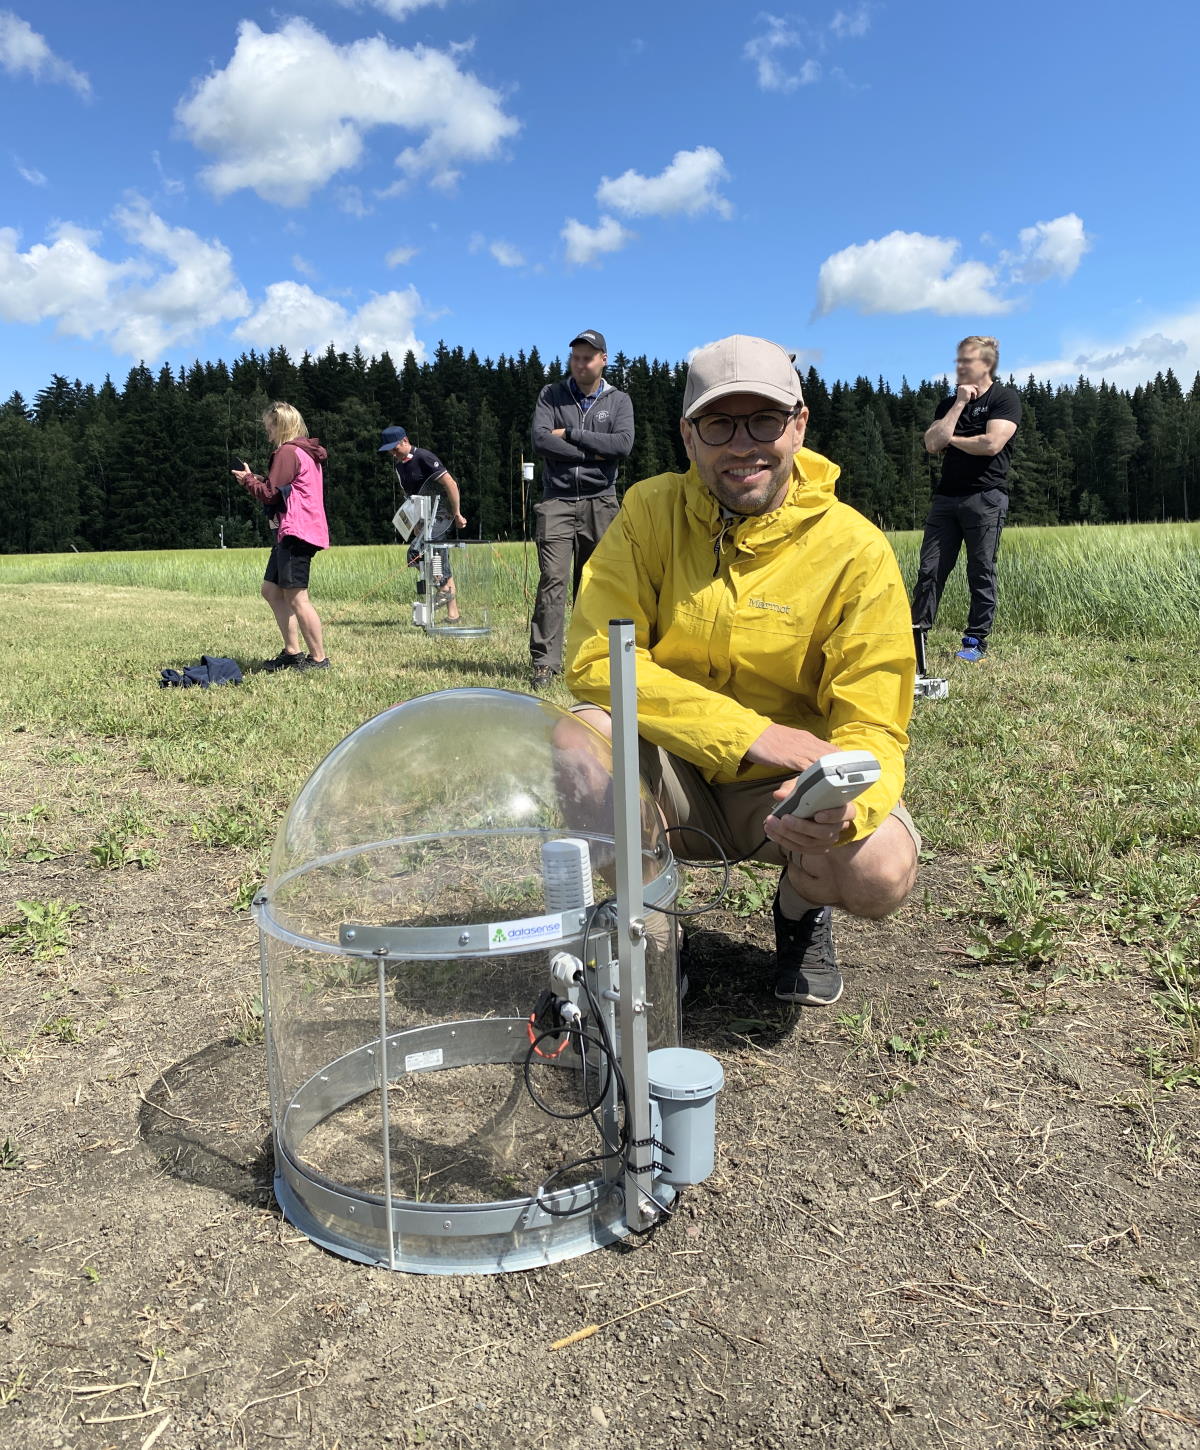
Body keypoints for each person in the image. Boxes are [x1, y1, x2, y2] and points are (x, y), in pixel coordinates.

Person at [564, 335, 918, 1007]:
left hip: (787, 795)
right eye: (719, 423)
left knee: (881, 870)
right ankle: (654, 932)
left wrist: (847, 810)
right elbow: (593, 660)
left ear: (800, 425)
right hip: (673, 771)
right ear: (688, 436)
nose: (743, 444)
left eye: (765, 420)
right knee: (578, 742)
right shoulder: (648, 513)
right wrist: (745, 734)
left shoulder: (856, 552)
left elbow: (874, 726)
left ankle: (798, 908)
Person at [529, 328, 634, 689]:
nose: (579, 364)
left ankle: (590, 659)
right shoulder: (551, 394)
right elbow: (541, 440)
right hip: (556, 500)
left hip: (601, 501)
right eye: (575, 357)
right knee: (553, 580)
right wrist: (594, 453)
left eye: (587, 357)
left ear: (603, 360)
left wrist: (571, 435)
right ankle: (545, 662)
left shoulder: (619, 401)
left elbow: (621, 444)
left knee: (595, 583)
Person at [910, 335, 1021, 664]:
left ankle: (975, 641)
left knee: (980, 569)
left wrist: (952, 438)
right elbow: (931, 443)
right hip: (946, 498)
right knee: (930, 569)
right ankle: (917, 637)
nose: (960, 367)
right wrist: (958, 405)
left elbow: (991, 444)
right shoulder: (949, 404)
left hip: (985, 497)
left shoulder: (1005, 399)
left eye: (967, 361)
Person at [233, 402, 330, 672]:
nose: (267, 433)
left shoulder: (288, 452)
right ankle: (292, 652)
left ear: (281, 425)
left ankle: (318, 659)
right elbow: (282, 487)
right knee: (271, 590)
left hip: (296, 531)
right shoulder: (304, 452)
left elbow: (270, 494)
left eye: (269, 427)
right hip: (296, 530)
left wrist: (248, 482)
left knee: (298, 598)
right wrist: (255, 478)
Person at [379, 425, 467, 623]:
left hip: (440, 515)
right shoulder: (399, 466)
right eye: (389, 451)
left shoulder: (424, 457)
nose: (393, 454)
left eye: (395, 449)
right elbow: (409, 496)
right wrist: (415, 523)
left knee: (416, 552)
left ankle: (443, 589)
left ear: (405, 441)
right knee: (440, 560)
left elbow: (450, 484)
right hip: (422, 516)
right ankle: (453, 614)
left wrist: (457, 513)